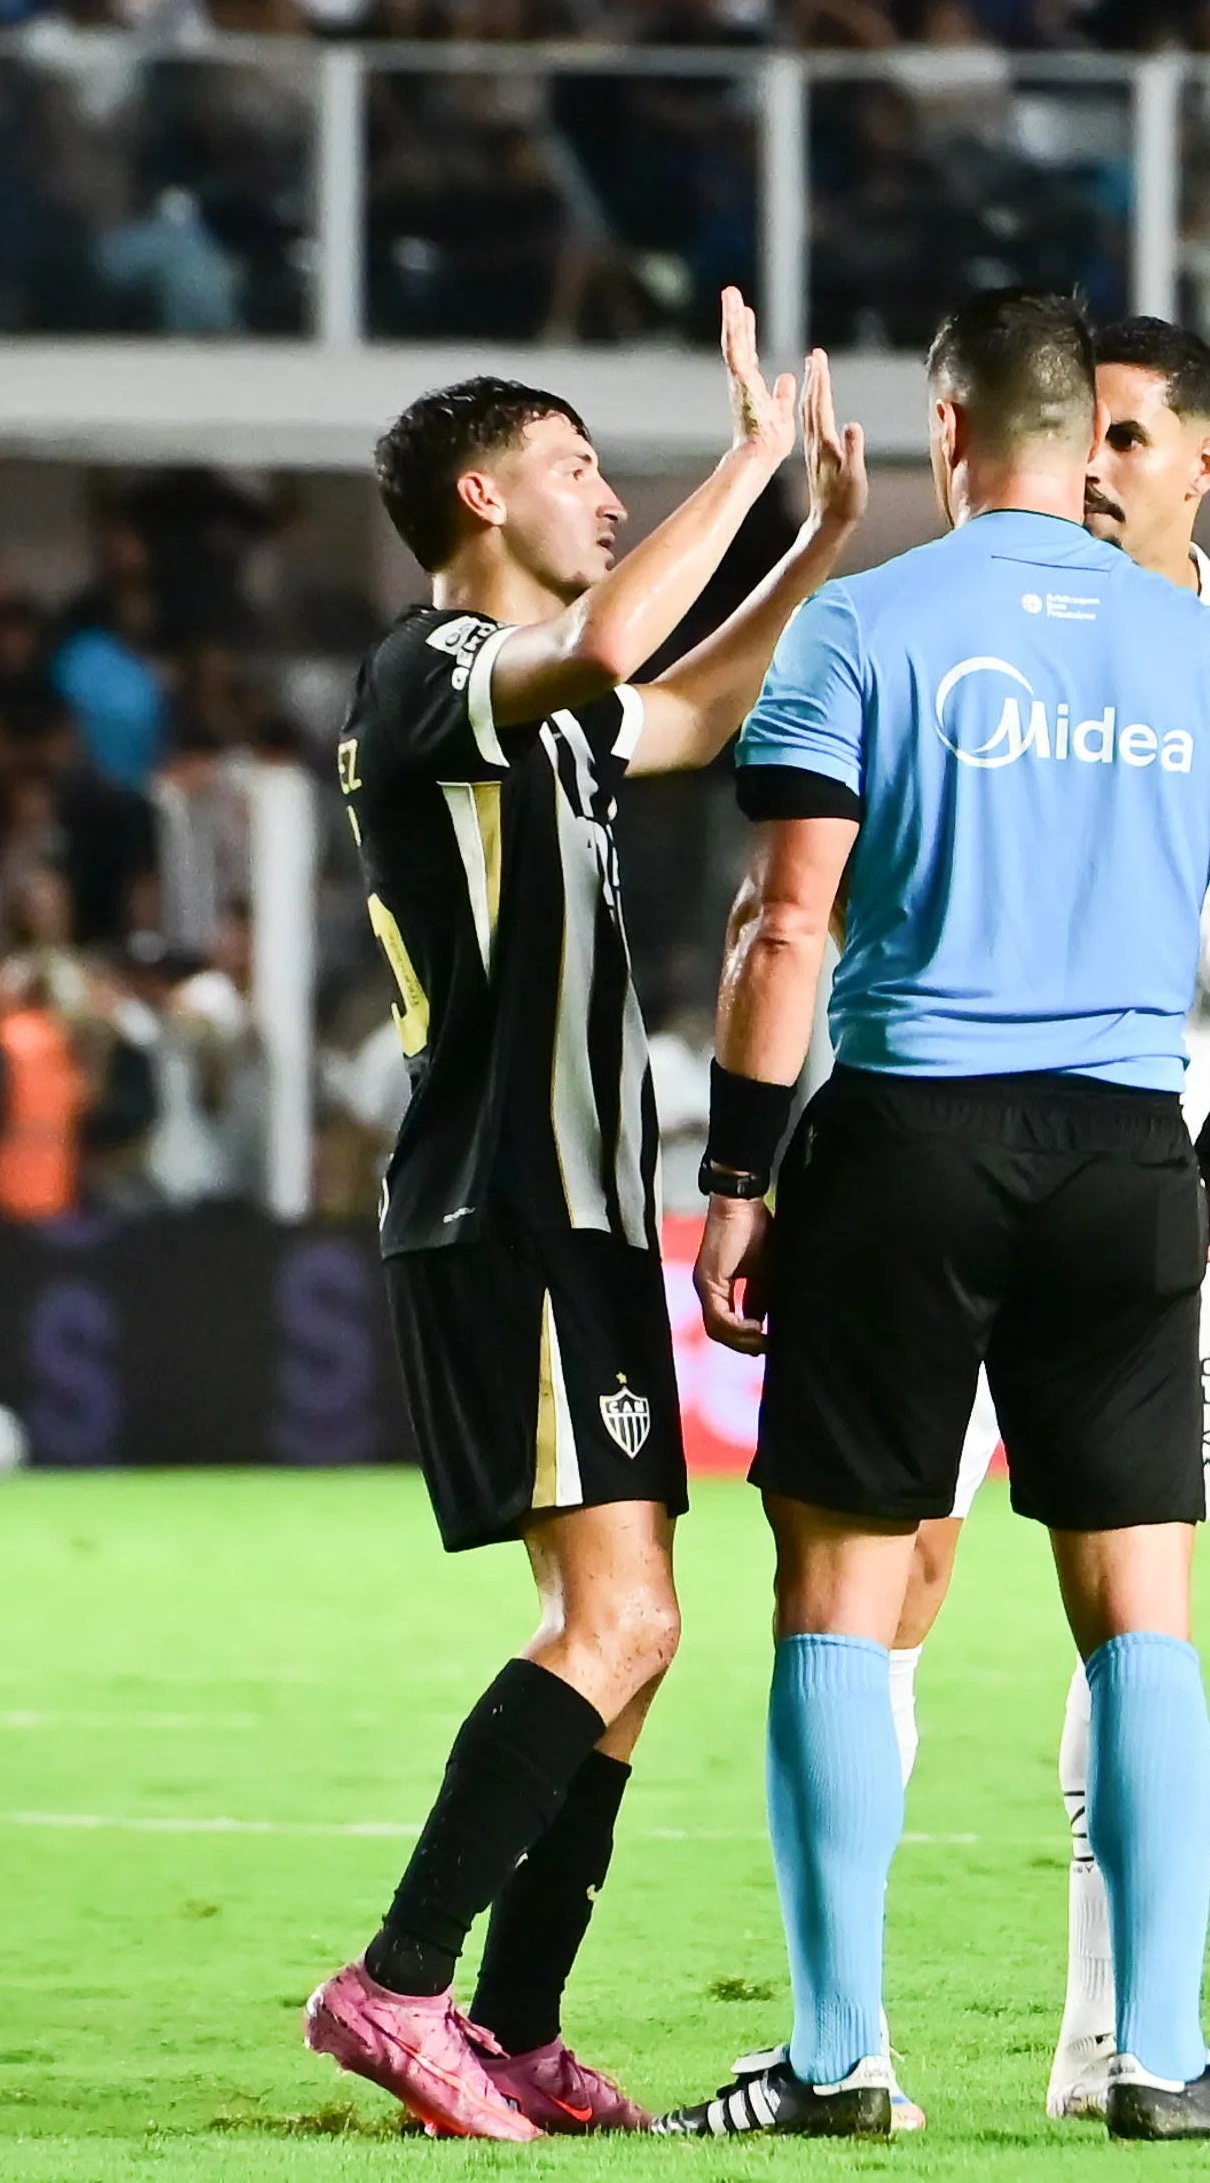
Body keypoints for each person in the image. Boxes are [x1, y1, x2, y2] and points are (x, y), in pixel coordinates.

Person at [669, 288, 1210, 2140]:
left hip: (906, 1139)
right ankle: (1159, 2056)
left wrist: (736, 1175)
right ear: (1077, 437)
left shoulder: (861, 622)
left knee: (839, 1591)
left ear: (948, 430)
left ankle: (835, 2062)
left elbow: (782, 925)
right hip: (1126, 1146)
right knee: (1139, 1609)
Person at [301, 292, 866, 2139]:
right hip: (509, 1202)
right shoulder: (433, 669)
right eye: (575, 465)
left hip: (579, 1212)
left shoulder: (536, 709)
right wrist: (751, 460)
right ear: (481, 495)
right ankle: (395, 1986)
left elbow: (683, 703)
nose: (608, 496)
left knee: (634, 1635)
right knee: (610, 1622)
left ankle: (520, 2026)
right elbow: (623, 637)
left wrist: (811, 546)